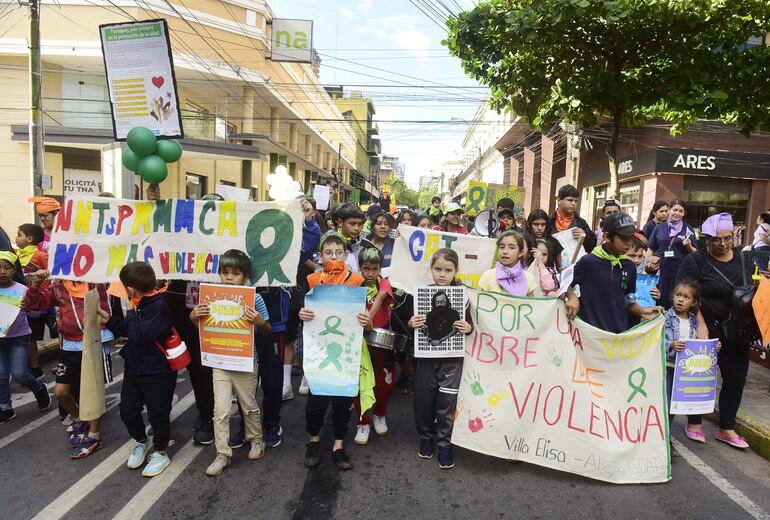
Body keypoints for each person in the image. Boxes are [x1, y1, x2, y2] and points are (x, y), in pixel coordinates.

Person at [189, 250, 271, 476]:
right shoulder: (210, 297)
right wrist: (193, 316)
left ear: (245, 275)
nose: (229, 277)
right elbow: (203, 329)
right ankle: (222, 453)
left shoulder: (255, 298)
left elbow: (267, 330)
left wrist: (259, 321)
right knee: (221, 410)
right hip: (220, 361)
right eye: (224, 273)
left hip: (245, 361)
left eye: (235, 273)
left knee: (249, 404)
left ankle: (256, 440)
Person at [675, 213, 752, 449]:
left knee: (735, 380)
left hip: (738, 332)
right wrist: (699, 322)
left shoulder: (743, 260)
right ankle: (694, 423)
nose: (723, 243)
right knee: (700, 377)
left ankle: (726, 427)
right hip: (706, 329)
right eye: (716, 239)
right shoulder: (696, 261)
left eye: (727, 238)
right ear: (706, 239)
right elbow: (685, 293)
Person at [25, 268, 117, 458]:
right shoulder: (58, 285)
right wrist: (35, 283)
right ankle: (78, 418)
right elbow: (32, 304)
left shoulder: (94, 282)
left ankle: (94, 435)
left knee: (93, 392)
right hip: (68, 345)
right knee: (61, 392)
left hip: (93, 342)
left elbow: (105, 312)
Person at [299, 231, 372, 470]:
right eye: (328, 253)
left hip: (346, 351)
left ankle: (338, 445)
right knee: (316, 400)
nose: (333, 257)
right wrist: (303, 314)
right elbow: (303, 313)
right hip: (319, 349)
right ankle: (314, 440)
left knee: (343, 401)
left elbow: (368, 323)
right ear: (319, 256)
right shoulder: (311, 280)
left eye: (338, 253)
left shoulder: (357, 282)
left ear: (346, 254)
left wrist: (365, 319)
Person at [408, 249, 473, 470]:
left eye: (448, 270)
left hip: (452, 360)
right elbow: (414, 326)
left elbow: (472, 325)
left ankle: (445, 443)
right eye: (438, 269)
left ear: (456, 271)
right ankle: (426, 437)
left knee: (447, 403)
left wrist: (468, 327)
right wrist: (412, 324)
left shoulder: (464, 297)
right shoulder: (421, 295)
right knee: (424, 400)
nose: (442, 274)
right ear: (431, 269)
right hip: (426, 359)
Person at [114, 262, 176, 477]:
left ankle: (160, 452)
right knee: (127, 410)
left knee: (158, 414)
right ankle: (142, 440)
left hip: (157, 369)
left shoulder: (158, 305)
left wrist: (130, 310)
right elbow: (128, 331)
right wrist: (110, 321)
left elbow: (140, 335)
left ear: (130, 288)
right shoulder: (138, 302)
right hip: (135, 367)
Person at [565, 213, 662, 333]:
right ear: (607, 237)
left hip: (618, 334)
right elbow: (565, 283)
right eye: (623, 238)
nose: (628, 243)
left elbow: (628, 299)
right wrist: (572, 297)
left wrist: (642, 311)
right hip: (590, 334)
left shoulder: (630, 266)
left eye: (630, 237)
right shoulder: (589, 261)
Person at [663, 280, 721, 439]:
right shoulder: (665, 317)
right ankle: (665, 441)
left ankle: (665, 438)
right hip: (668, 368)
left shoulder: (694, 321)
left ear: (694, 302)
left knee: (675, 406)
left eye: (686, 297)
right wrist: (671, 345)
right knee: (667, 405)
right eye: (678, 295)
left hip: (684, 374)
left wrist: (713, 348)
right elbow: (657, 341)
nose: (680, 299)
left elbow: (699, 345)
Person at [0, 251, 50, 424]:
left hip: (19, 338)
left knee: (20, 374)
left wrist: (28, 307)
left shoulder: (22, 290)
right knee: (1, 375)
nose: (2, 271)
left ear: (14, 270)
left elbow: (37, 313)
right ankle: (5, 407)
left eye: (7, 267)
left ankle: (39, 389)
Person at [354, 248, 396, 445]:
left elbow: (380, 298)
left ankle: (380, 413)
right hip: (358, 341)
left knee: (385, 381)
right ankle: (362, 421)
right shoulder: (354, 283)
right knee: (358, 381)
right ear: (360, 267)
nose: (370, 273)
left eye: (374, 268)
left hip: (381, 341)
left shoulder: (384, 283)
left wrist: (368, 319)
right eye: (365, 268)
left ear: (380, 268)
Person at [283, 195, 321, 402]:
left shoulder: (314, 231)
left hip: (308, 294)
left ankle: (308, 377)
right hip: (287, 294)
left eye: (305, 208)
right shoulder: (281, 228)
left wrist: (306, 220)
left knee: (311, 337)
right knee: (288, 339)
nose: (301, 209)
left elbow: (306, 250)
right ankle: (286, 384)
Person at [646, 199, 698, 306]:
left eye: (681, 211)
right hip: (660, 270)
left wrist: (689, 246)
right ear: (669, 210)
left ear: (684, 213)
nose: (677, 213)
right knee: (658, 299)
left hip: (679, 271)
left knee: (675, 300)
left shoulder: (688, 230)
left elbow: (696, 254)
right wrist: (648, 265)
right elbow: (651, 248)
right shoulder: (659, 228)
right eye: (675, 210)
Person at [16, 223, 49, 379]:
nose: (16, 238)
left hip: (37, 302)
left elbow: (50, 274)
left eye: (19, 234)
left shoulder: (41, 255)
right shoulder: (16, 257)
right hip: (19, 300)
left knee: (32, 336)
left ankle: (35, 368)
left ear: (29, 239)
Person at [478, 231, 536, 297]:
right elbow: (480, 303)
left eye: (511, 248)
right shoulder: (488, 276)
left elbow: (531, 305)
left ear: (521, 253)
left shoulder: (528, 278)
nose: (505, 251)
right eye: (502, 247)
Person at [549, 184, 596, 253]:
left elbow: (592, 248)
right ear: (559, 200)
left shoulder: (581, 222)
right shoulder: (548, 221)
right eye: (570, 200)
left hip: (575, 263)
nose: (573, 204)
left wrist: (584, 237)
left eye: (576, 201)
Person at [334, 202, 374, 273]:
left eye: (360, 224)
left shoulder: (368, 247)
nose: (356, 228)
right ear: (340, 222)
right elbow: (319, 270)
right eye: (352, 224)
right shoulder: (328, 244)